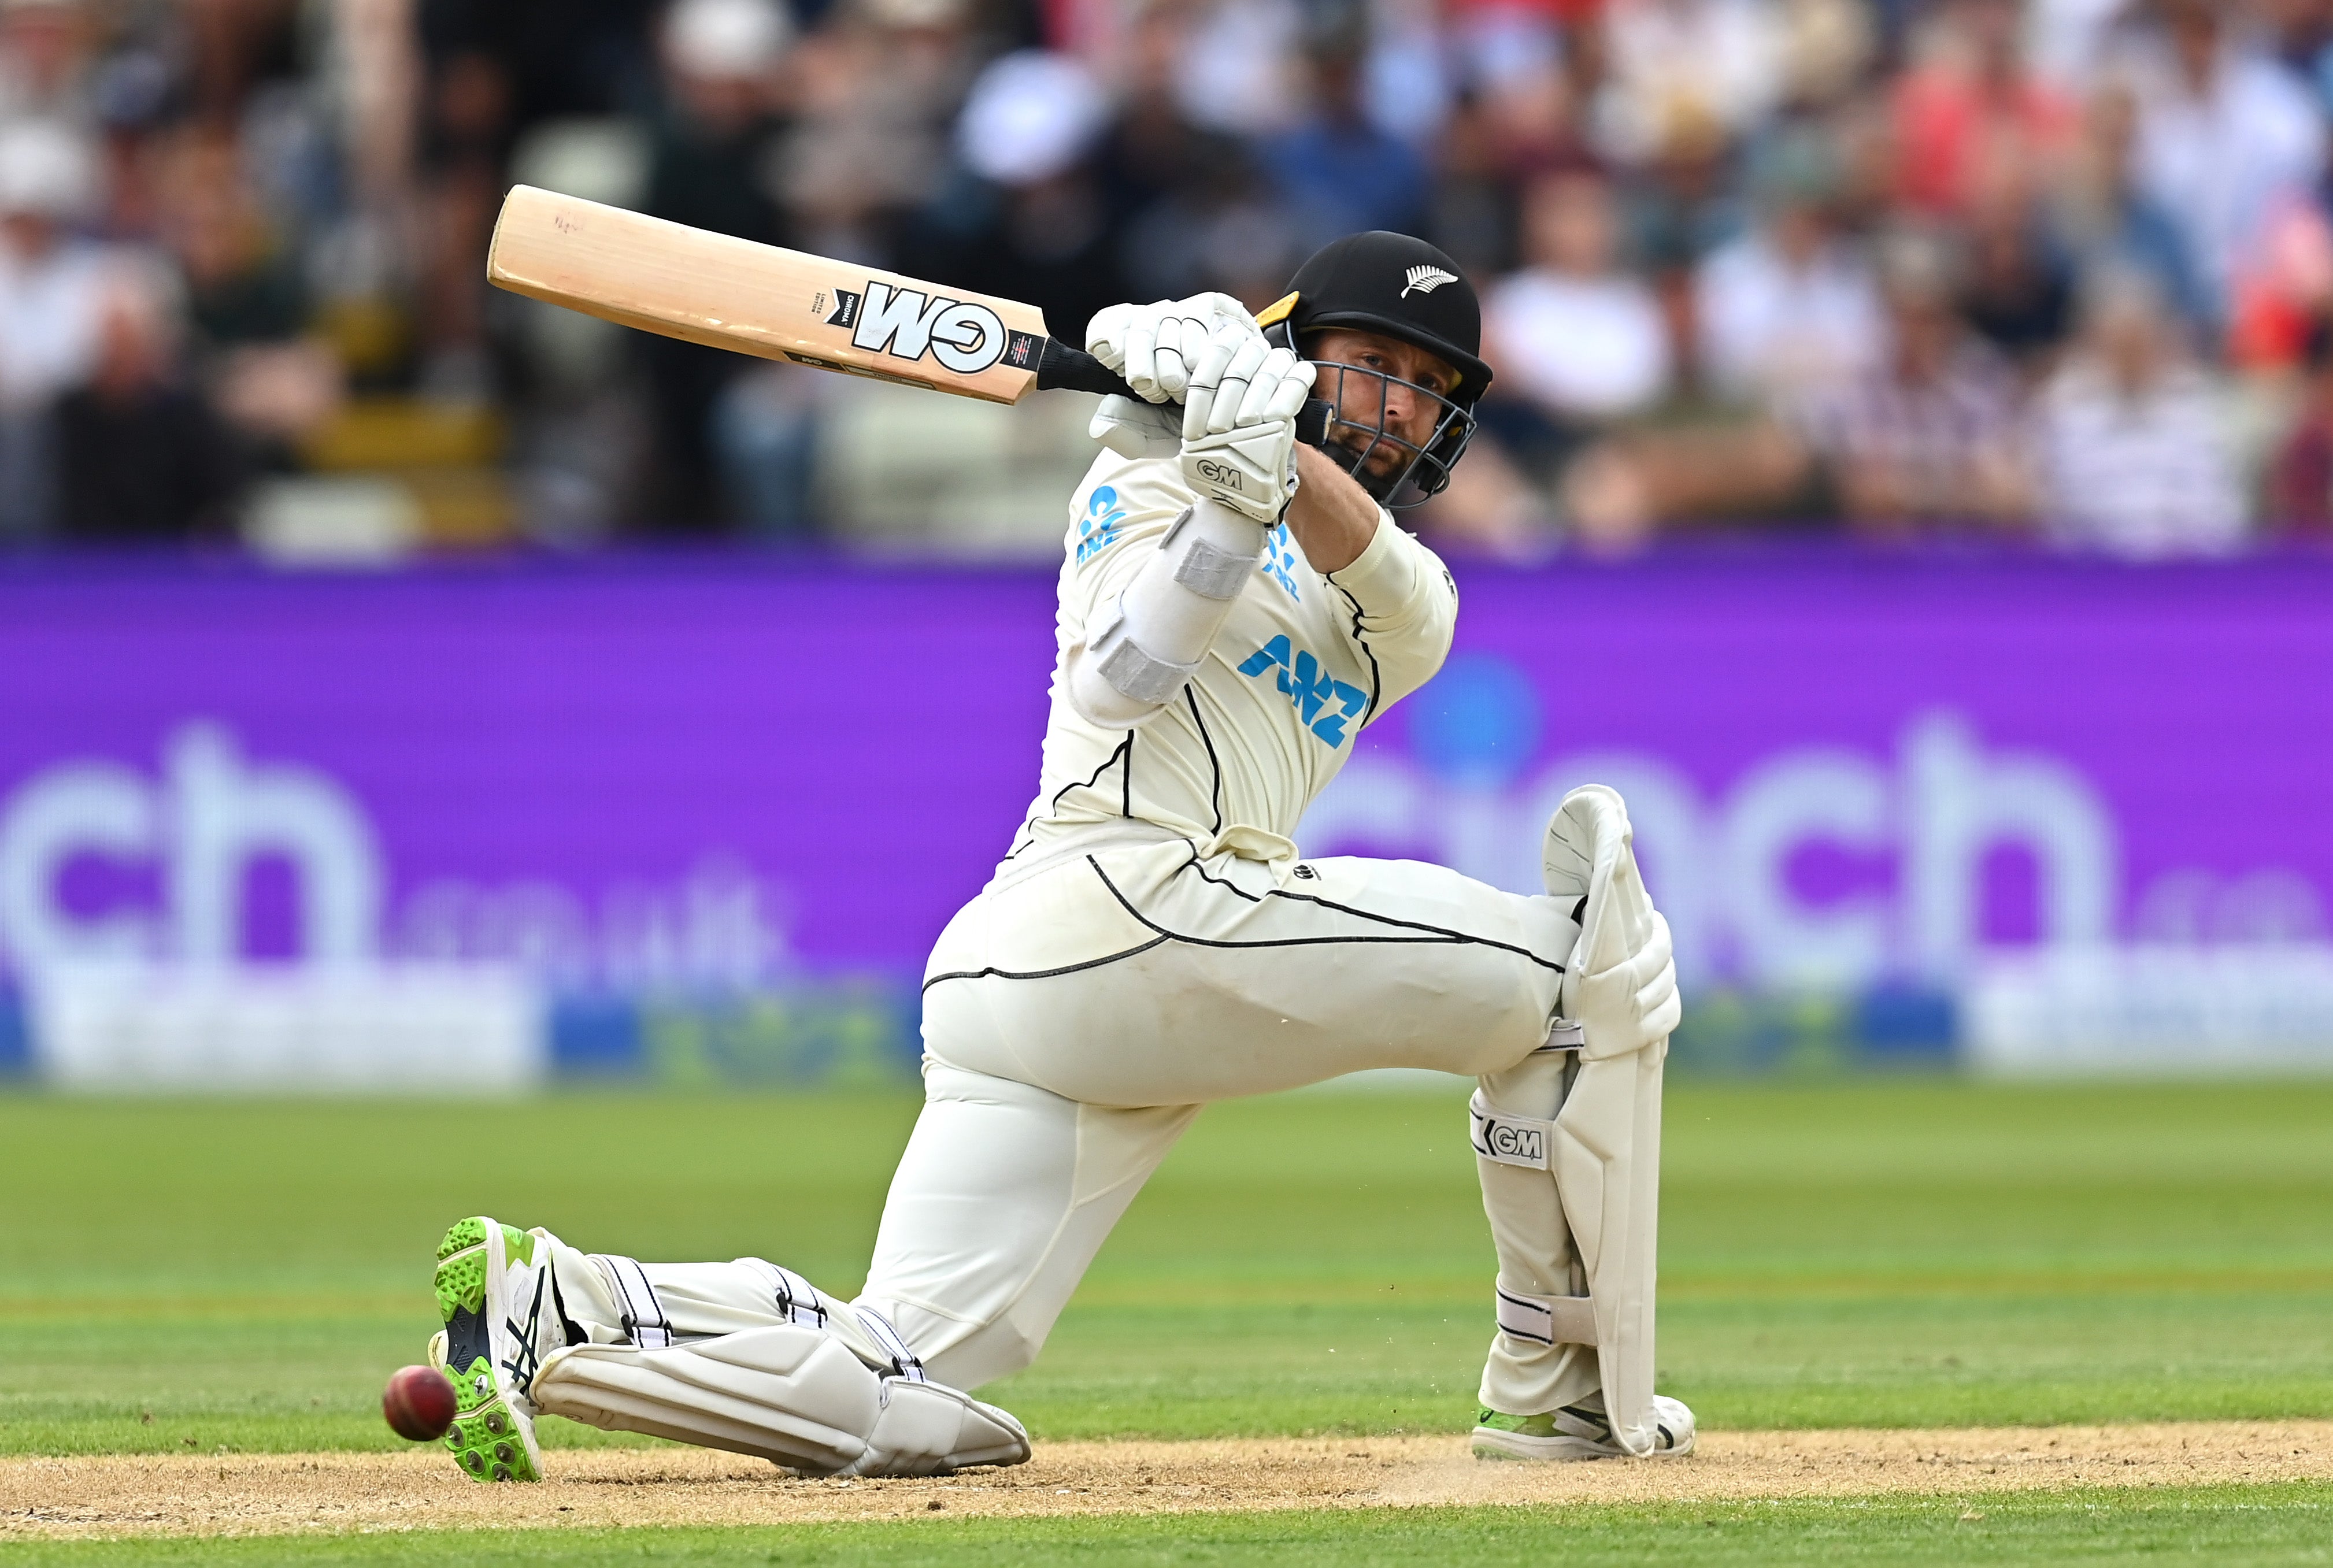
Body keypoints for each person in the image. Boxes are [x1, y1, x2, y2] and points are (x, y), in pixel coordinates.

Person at [424, 233, 1691, 1484]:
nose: (1399, 406)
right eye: (1373, 364)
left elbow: (1353, 545)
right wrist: (1216, 494)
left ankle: (560, 1302)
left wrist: (1261, 452)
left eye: (1428, 390)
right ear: (1299, 353)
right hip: (1118, 903)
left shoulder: (1410, 604)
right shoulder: (1135, 481)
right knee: (1578, 965)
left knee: (898, 1382)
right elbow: (1124, 674)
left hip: (1074, 979)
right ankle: (1551, 1395)